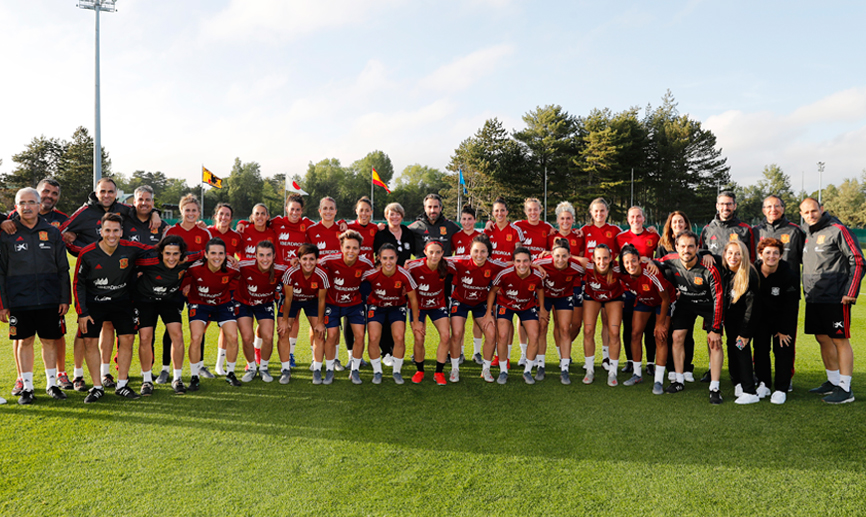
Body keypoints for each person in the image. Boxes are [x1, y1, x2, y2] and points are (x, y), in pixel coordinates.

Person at [60, 177, 160, 392]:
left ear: (116, 193)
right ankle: (79, 375)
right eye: (102, 191)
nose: (106, 195)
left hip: (119, 280)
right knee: (84, 332)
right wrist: (81, 249)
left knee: (114, 330)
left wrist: (155, 213)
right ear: (96, 192)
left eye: (110, 191)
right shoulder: (84, 212)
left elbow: (142, 208)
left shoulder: (124, 210)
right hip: (92, 280)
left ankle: (107, 373)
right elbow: (62, 232)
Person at [0, 188, 70, 404]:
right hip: (19, 299)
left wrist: (64, 298)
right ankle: (27, 387)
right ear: (16, 207)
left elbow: (62, 268)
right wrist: (3, 304)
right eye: (22, 203)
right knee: (24, 341)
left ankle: (51, 384)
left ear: (40, 205)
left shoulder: (52, 232)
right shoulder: (6, 234)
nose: (27, 206)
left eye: (32, 202)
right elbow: (1, 271)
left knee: (50, 341)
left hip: (49, 298)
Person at [74, 213, 152, 402]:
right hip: (94, 303)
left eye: (115, 230)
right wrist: (82, 312)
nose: (111, 234)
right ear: (101, 231)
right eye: (107, 230)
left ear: (121, 232)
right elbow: (78, 283)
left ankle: (122, 385)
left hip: (122, 302)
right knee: (90, 342)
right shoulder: (87, 253)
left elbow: (157, 251)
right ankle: (97, 387)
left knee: (127, 339)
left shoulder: (131, 249)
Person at [800, 197, 863, 404]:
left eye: (813, 211)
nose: (810, 215)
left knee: (839, 339)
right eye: (806, 212)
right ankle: (833, 381)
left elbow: (858, 260)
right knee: (822, 338)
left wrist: (851, 291)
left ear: (822, 209)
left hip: (837, 298)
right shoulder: (809, 233)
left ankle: (845, 389)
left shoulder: (837, 229)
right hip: (814, 297)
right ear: (801, 214)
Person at [657, 231, 725, 404]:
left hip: (709, 306)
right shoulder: (670, 260)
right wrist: (646, 262)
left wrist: (716, 328)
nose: (686, 250)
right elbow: (655, 262)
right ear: (676, 247)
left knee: (714, 342)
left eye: (690, 246)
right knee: (677, 337)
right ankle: (678, 380)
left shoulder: (709, 268)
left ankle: (715, 387)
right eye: (682, 246)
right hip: (686, 304)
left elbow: (718, 298)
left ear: (697, 248)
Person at [132, 235, 199, 395]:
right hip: (146, 300)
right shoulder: (149, 261)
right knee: (145, 337)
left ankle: (177, 378)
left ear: (181, 254)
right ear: (161, 253)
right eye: (167, 253)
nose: (171, 258)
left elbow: (206, 252)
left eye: (175, 254)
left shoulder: (187, 259)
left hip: (169, 300)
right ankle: (147, 380)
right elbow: (128, 262)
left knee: (177, 335)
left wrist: (230, 257)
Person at [753, 194, 804, 389]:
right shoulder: (755, 231)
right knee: (760, 340)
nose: (772, 209)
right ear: (763, 210)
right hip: (761, 291)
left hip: (786, 292)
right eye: (768, 206)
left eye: (776, 206)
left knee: (785, 338)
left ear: (783, 208)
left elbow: (804, 259)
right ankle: (761, 377)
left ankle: (786, 377)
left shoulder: (795, 231)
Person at [182, 238, 241, 391]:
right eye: (213, 253)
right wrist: (186, 284)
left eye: (221, 253)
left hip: (223, 303)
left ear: (225, 255)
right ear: (206, 255)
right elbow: (181, 273)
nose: (217, 257)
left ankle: (231, 373)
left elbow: (241, 277)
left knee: (233, 337)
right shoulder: (195, 268)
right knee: (196, 337)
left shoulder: (232, 268)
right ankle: (194, 376)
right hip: (199, 303)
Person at [318, 230, 376, 385]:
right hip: (332, 303)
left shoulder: (365, 263)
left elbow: (374, 280)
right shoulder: (329, 260)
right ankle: (330, 371)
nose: (351, 251)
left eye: (355, 248)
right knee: (331, 336)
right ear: (341, 247)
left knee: (360, 336)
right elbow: (311, 267)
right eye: (348, 247)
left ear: (360, 249)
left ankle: (354, 370)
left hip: (354, 304)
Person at [446, 234, 505, 383]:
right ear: (470, 251)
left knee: (491, 334)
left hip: (480, 304)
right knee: (457, 333)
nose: (479, 255)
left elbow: (516, 264)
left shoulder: (493, 265)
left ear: (488, 253)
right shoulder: (460, 261)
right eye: (476, 251)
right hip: (460, 301)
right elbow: (438, 259)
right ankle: (454, 369)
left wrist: (536, 266)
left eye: (483, 252)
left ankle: (486, 369)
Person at [362, 244, 423, 384]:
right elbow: (354, 283)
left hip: (396, 307)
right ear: (379, 259)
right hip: (376, 307)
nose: (388, 262)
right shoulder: (371, 274)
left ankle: (397, 371)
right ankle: (377, 372)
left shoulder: (404, 274)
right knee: (373, 337)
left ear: (397, 258)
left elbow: (413, 299)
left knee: (399, 337)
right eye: (384, 258)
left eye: (391, 258)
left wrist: (416, 321)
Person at [618, 244, 672, 394]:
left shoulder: (651, 272)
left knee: (660, 336)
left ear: (639, 260)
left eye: (633, 261)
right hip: (644, 301)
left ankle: (659, 381)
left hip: (663, 302)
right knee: (635, 334)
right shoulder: (623, 273)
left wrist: (660, 323)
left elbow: (666, 299)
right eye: (627, 262)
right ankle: (637, 374)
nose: (630, 265)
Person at [486, 247, 544, 385]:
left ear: (531, 262)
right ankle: (503, 371)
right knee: (503, 335)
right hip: (506, 305)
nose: (522, 265)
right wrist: (489, 312)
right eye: (518, 261)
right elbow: (493, 291)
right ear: (513, 262)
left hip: (527, 306)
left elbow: (540, 289)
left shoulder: (536, 275)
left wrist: (542, 309)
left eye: (525, 261)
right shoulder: (505, 274)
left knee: (535, 336)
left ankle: (527, 371)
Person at [270, 194, 315, 369]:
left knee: (293, 317)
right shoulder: (276, 222)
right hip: (276, 276)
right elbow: (257, 220)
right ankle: (259, 355)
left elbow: (326, 225)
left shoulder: (308, 225)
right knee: (269, 317)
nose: (294, 212)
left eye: (298, 209)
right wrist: (244, 223)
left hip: (297, 278)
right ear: (286, 209)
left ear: (302, 211)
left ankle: (290, 354)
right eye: (292, 209)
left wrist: (342, 222)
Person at [615, 206, 660, 376]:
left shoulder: (653, 235)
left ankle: (649, 362)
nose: (636, 219)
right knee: (629, 327)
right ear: (628, 219)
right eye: (632, 217)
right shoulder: (620, 237)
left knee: (649, 327)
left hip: (648, 288)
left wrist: (653, 261)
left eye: (639, 216)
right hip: (627, 288)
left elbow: (661, 255)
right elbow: (612, 257)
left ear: (644, 218)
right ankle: (630, 361)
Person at [753, 238, 799, 404]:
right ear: (760, 254)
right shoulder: (753, 271)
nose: (771, 256)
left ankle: (781, 388)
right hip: (760, 320)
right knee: (760, 350)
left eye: (775, 253)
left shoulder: (789, 275)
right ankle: (764, 383)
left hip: (782, 320)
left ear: (780, 255)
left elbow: (791, 306)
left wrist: (784, 330)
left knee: (782, 349)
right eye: (767, 253)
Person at [236, 241, 287, 384]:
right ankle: (251, 368)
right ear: (256, 256)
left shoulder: (280, 269)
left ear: (274, 256)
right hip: (243, 303)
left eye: (268, 255)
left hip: (264, 304)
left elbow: (294, 271)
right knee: (247, 337)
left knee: (268, 336)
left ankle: (263, 368)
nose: (265, 259)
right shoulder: (244, 266)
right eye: (261, 255)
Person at [405, 241, 456, 384]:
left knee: (446, 336)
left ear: (442, 253)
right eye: (431, 252)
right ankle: (419, 370)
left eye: (438, 252)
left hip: (437, 305)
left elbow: (465, 264)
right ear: (425, 252)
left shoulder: (447, 266)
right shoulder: (414, 266)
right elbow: (401, 276)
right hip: (418, 307)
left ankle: (439, 372)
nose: (434, 255)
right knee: (419, 338)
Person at [579, 198, 621, 372]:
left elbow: (620, 255)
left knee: (607, 322)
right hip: (590, 282)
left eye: (602, 211)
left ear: (607, 212)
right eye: (596, 211)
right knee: (589, 325)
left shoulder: (615, 231)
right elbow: (579, 253)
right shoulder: (584, 231)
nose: (599, 214)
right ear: (591, 212)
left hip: (609, 282)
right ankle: (589, 361)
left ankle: (606, 357)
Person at [372, 202, 416, 366]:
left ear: (402, 216)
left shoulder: (407, 232)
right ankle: (386, 352)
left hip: (403, 280)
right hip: (384, 280)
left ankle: (396, 349)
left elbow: (415, 254)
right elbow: (376, 257)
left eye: (397, 213)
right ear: (386, 215)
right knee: (383, 315)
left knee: (397, 315)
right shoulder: (381, 233)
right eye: (391, 213)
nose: (394, 216)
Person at [535, 238, 584, 385]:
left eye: (564, 256)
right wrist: (542, 308)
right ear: (552, 255)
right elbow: (526, 264)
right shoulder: (542, 263)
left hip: (564, 297)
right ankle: (540, 365)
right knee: (542, 328)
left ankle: (564, 368)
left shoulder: (576, 267)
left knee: (564, 329)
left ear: (569, 255)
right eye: (557, 256)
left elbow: (589, 266)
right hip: (545, 296)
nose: (560, 259)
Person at [656, 210, 697, 382]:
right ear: (670, 227)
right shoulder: (662, 247)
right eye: (675, 222)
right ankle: (672, 367)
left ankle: (687, 368)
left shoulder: (692, 243)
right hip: (670, 296)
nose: (678, 225)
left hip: (689, 296)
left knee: (687, 333)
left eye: (681, 222)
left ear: (686, 224)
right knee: (671, 331)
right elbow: (659, 271)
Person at [279, 244, 329, 384]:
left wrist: (320, 322)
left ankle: (317, 369)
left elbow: (321, 299)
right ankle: (285, 369)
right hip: (293, 301)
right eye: (305, 259)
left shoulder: (322, 274)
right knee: (283, 331)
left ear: (317, 260)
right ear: (299, 260)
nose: (308, 262)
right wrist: (284, 320)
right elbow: (288, 298)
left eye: (312, 259)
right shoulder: (291, 272)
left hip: (312, 301)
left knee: (319, 332)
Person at [720, 240, 761, 405]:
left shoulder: (748, 274)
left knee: (741, 350)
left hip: (744, 325)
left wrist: (745, 333)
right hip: (731, 323)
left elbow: (752, 308)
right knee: (732, 349)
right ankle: (737, 382)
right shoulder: (726, 272)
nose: (733, 257)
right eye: (730, 253)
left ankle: (749, 391)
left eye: (738, 253)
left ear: (744, 256)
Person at [547, 201, 588, 360]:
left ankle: (565, 345)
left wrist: (570, 257)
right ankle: (562, 355)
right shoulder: (550, 236)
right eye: (562, 218)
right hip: (554, 285)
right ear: (557, 220)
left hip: (575, 284)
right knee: (558, 323)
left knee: (577, 324)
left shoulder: (579, 236)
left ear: (573, 220)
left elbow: (583, 259)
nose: (565, 222)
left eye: (568, 218)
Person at [581, 245, 624, 387]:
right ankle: (589, 369)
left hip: (614, 298)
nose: (602, 262)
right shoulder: (587, 266)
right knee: (588, 331)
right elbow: (568, 258)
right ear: (593, 259)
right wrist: (549, 254)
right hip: (592, 297)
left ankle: (612, 371)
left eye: (605, 258)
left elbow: (636, 265)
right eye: (598, 258)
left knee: (614, 332)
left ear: (611, 259)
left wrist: (646, 260)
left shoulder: (618, 268)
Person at [450, 205, 484, 363]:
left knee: (478, 320)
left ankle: (477, 352)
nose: (467, 222)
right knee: (459, 321)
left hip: (478, 283)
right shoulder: (455, 237)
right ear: (460, 220)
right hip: (460, 282)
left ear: (475, 221)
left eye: (470, 219)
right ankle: (460, 352)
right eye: (464, 219)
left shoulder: (481, 236)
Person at [699, 191, 755, 260]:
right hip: (715, 270)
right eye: (722, 204)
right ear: (717, 206)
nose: (725, 207)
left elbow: (752, 258)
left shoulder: (746, 229)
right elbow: (701, 253)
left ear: (735, 206)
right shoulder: (707, 229)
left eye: (729, 204)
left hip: (738, 270)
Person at [346, 196, 378, 262]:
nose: (364, 213)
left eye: (367, 210)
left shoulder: (375, 228)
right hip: (352, 266)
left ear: (371, 212)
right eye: (361, 210)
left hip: (369, 268)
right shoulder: (348, 227)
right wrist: (341, 222)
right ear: (356, 211)